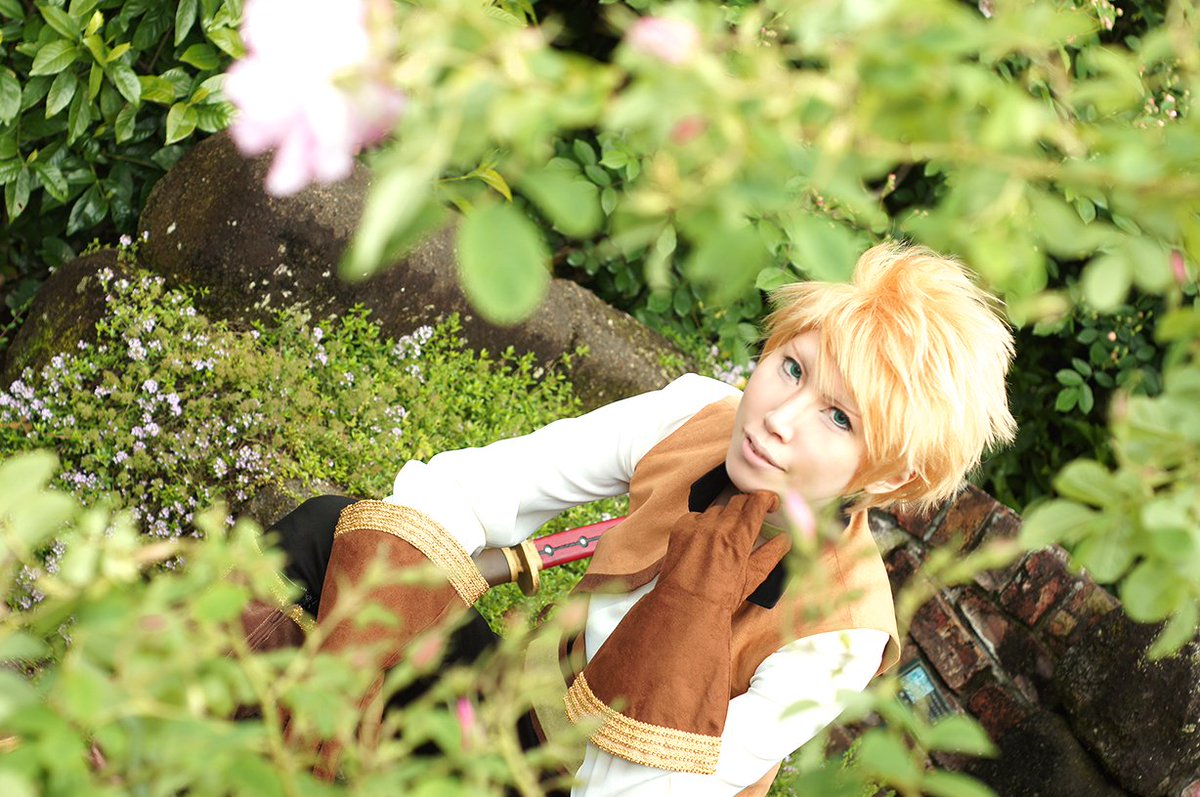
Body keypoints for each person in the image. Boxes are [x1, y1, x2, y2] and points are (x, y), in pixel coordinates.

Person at [253, 241, 1017, 796]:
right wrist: (347, 679)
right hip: (492, 716)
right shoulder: (695, 416)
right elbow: (474, 488)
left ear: (891, 476)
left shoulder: (841, 633)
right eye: (792, 366)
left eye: (838, 417)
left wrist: (696, 596)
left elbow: (663, 789)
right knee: (334, 532)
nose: (779, 417)